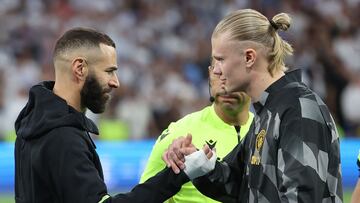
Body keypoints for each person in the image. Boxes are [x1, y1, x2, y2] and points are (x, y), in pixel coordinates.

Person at [163, 9, 343, 202]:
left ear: (249, 57)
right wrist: (195, 161)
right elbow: (235, 182)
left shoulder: (297, 109)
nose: (215, 70)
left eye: (221, 59)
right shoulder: (267, 112)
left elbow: (301, 198)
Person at [14, 27, 202, 203]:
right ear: (80, 69)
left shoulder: (33, 122)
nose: (116, 82)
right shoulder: (63, 138)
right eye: (109, 71)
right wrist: (176, 175)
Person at [140, 65, 254, 202]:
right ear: (210, 74)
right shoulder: (178, 134)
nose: (226, 83)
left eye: (235, 74)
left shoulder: (267, 129)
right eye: (219, 73)